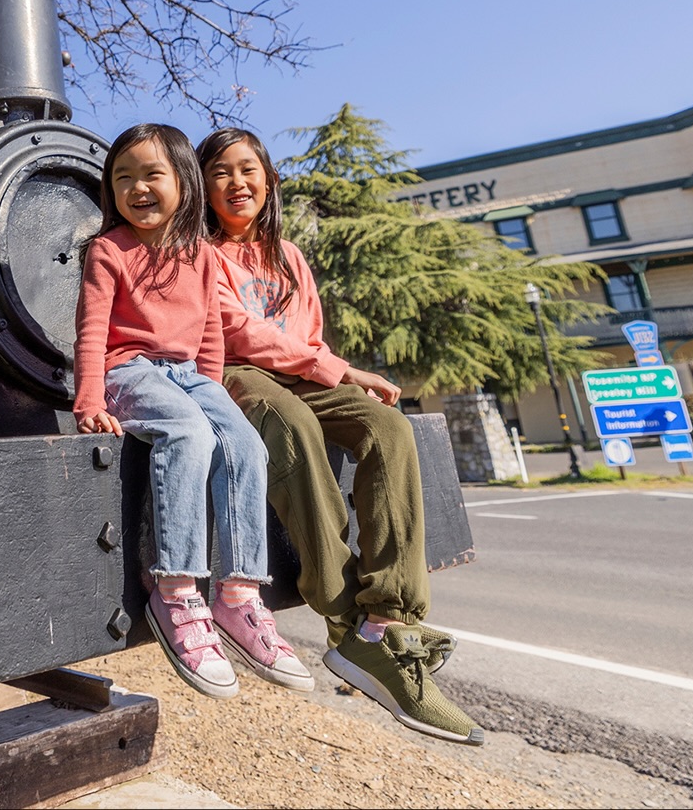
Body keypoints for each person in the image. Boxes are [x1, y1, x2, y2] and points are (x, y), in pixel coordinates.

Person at [198, 126, 484, 746]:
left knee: (386, 428)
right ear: (203, 186)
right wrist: (340, 370)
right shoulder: (202, 253)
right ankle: (345, 612)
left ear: (268, 180)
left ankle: (387, 617)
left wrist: (335, 374)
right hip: (236, 375)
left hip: (304, 373)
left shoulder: (290, 256)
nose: (237, 182)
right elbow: (238, 333)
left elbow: (310, 337)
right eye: (221, 171)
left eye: (249, 169)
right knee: (295, 427)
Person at [74, 123, 314, 700]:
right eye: (123, 177)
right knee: (185, 434)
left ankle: (237, 597)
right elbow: (92, 331)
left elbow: (210, 337)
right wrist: (88, 398)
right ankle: (176, 589)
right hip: (127, 368)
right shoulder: (109, 249)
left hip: (188, 376)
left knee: (243, 444)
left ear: (183, 180)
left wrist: (214, 400)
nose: (137, 187)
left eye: (151, 174)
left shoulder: (202, 255)